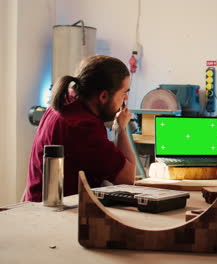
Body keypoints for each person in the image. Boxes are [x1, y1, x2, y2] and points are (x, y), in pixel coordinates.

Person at [24, 55, 136, 202]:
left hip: (36, 206)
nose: (125, 99)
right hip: (56, 216)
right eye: (124, 93)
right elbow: (127, 178)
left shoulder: (63, 103)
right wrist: (120, 128)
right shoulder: (84, 127)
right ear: (103, 96)